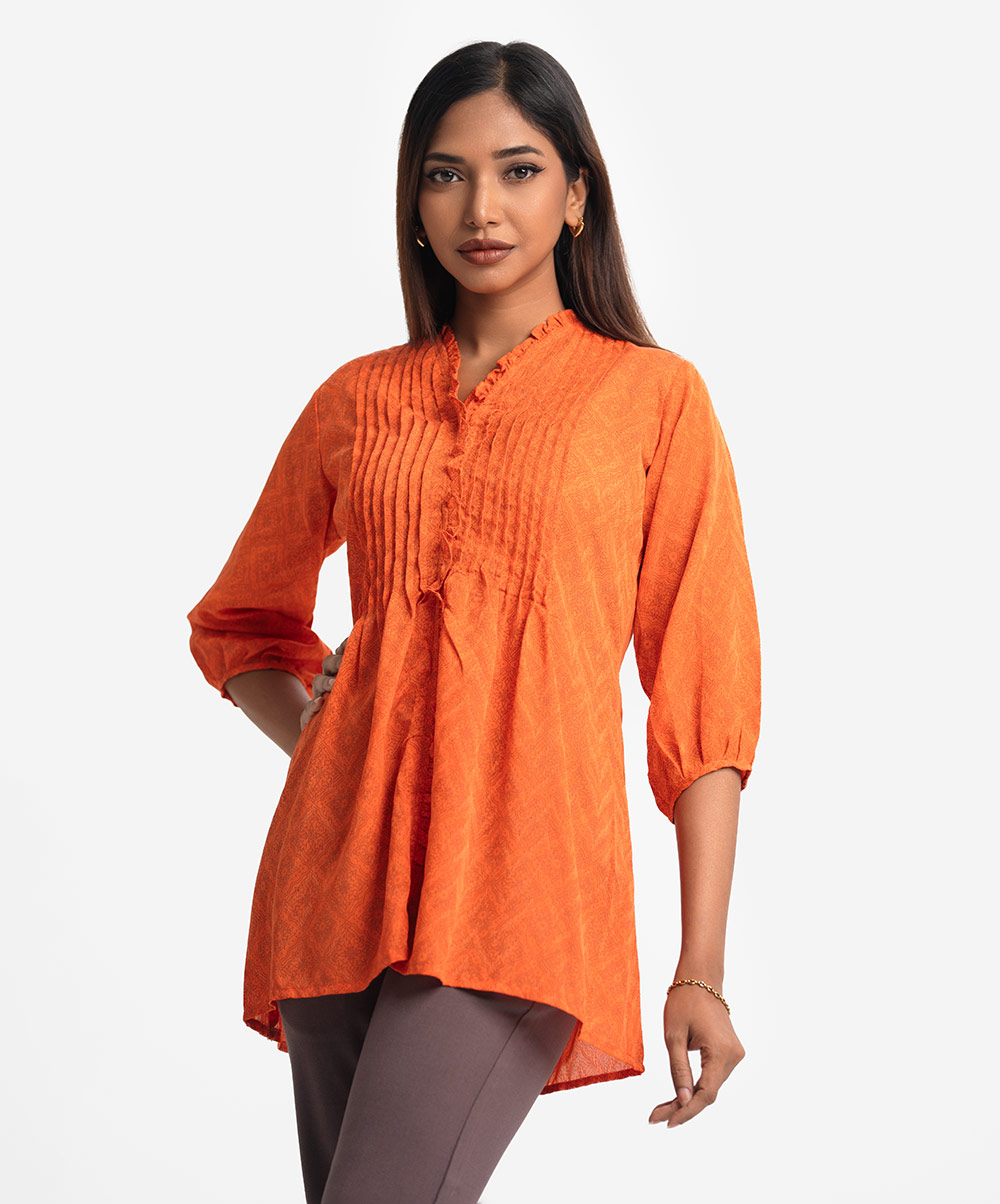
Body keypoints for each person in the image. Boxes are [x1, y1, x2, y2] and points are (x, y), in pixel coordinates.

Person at [187, 38, 761, 1204]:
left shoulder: (652, 399)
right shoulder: (357, 398)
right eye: (445, 175)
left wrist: (699, 966)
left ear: (577, 196)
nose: (481, 208)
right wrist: (321, 732)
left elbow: (702, 696)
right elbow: (240, 619)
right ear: (413, 202)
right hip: (334, 882)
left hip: (524, 882)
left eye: (518, 170)